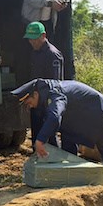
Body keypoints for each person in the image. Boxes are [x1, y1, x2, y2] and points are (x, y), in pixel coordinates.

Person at [11, 79, 103, 181]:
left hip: (94, 106)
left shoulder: (54, 95)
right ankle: (72, 175)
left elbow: (54, 117)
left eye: (29, 103)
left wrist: (40, 140)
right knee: (68, 138)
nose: (30, 106)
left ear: (35, 94)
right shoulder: (45, 94)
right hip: (75, 112)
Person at [23, 21, 64, 149]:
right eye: (30, 39)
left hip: (48, 102)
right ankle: (37, 157)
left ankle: (55, 159)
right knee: (36, 135)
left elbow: (55, 83)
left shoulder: (52, 54)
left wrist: (47, 103)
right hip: (36, 101)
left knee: (50, 136)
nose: (32, 42)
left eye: (35, 39)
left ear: (43, 36)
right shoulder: (34, 52)